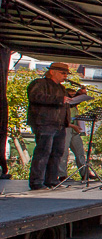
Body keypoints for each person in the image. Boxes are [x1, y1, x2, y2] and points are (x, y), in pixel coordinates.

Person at [27, 62, 82, 190]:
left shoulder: (61, 88)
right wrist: (59, 99)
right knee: (43, 152)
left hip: (59, 124)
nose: (65, 76)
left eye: (66, 74)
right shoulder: (40, 83)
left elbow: (67, 103)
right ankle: (36, 182)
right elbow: (35, 97)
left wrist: (79, 97)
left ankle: (51, 180)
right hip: (45, 122)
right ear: (52, 72)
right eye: (63, 73)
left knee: (57, 153)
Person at [57, 86, 93, 181]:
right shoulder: (64, 105)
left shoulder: (74, 106)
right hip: (66, 128)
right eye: (72, 95)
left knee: (80, 152)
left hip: (74, 129)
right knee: (64, 152)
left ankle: (85, 173)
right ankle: (62, 175)